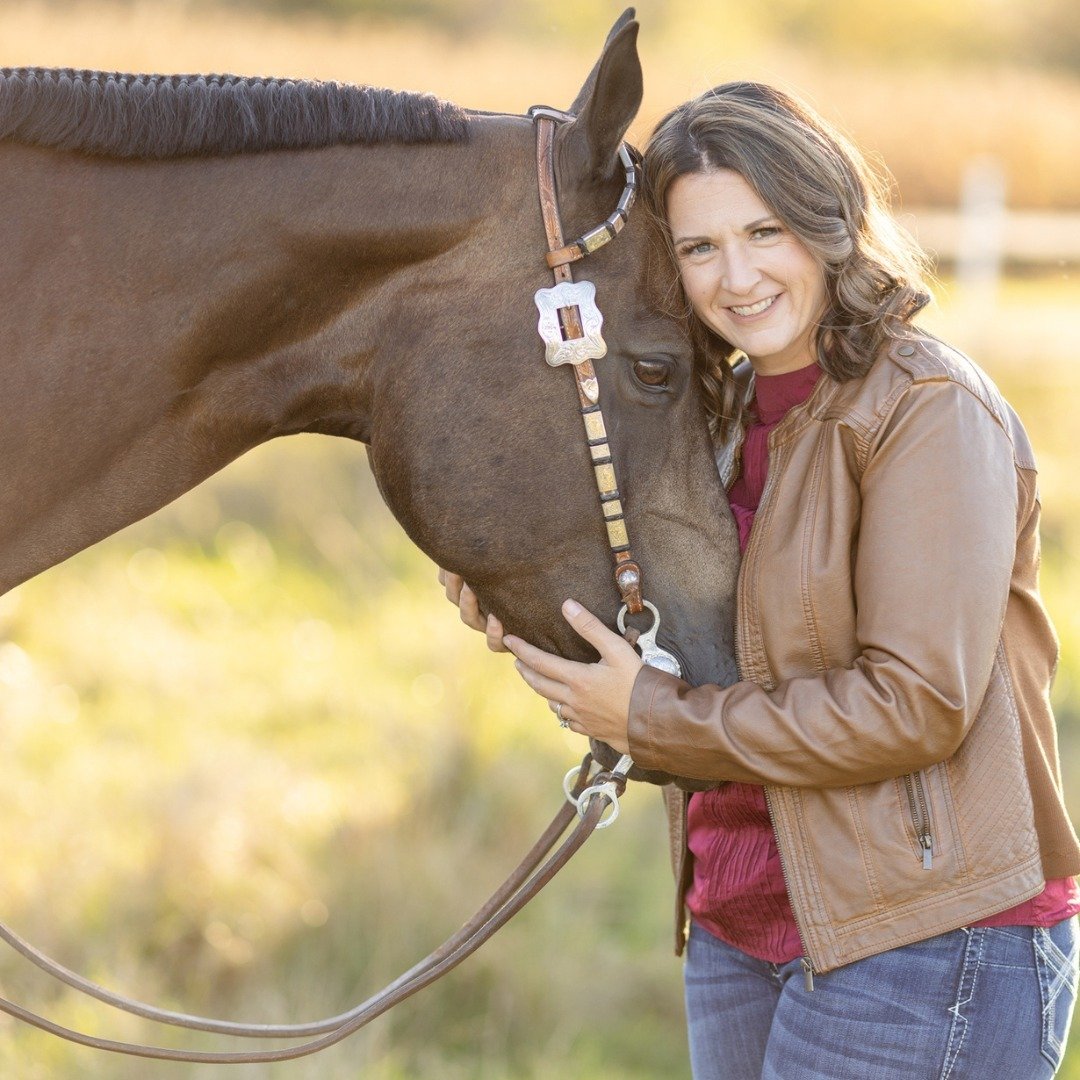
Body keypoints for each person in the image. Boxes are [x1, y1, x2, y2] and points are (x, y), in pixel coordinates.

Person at [440, 81, 1080, 1079]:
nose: (735, 277)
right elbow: (682, 638)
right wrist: (520, 598)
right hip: (740, 924)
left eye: (764, 231)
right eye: (699, 248)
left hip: (925, 937)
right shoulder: (719, 416)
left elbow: (917, 705)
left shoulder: (926, 409)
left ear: (827, 224)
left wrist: (655, 718)